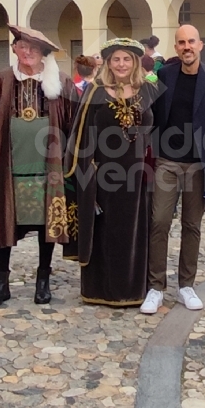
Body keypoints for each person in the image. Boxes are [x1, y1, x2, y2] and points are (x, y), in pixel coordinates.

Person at [0, 25, 77, 307]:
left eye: (33, 47)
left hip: (48, 166)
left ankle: (43, 280)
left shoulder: (63, 83)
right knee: (4, 222)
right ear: (14, 49)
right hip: (10, 166)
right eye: (22, 46)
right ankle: (1, 282)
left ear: (43, 53)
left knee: (47, 222)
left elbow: (74, 126)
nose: (27, 52)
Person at [143, 24, 205, 314]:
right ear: (176, 47)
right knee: (159, 221)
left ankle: (186, 285)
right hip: (166, 160)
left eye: (191, 41)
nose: (186, 46)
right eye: (181, 42)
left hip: (199, 164)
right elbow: (151, 113)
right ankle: (155, 287)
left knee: (192, 226)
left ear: (200, 45)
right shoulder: (165, 74)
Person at [66, 38, 155, 306]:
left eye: (127, 59)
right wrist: (84, 175)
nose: (121, 64)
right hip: (103, 175)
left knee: (134, 233)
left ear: (135, 62)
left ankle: (133, 290)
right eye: (116, 59)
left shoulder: (148, 91)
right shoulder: (95, 92)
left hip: (137, 175)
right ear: (107, 62)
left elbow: (157, 131)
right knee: (105, 232)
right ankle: (99, 291)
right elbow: (80, 137)